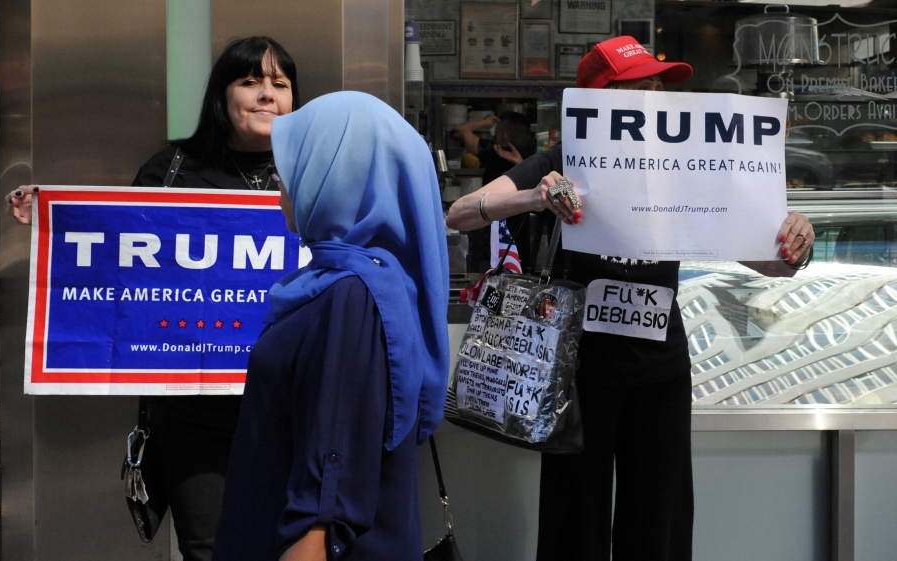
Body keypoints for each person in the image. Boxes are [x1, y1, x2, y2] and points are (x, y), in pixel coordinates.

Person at [445, 36, 815, 561]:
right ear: (601, 101)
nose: (657, 99)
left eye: (660, 87)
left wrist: (795, 243)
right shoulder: (568, 155)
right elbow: (459, 213)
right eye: (640, 88)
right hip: (576, 372)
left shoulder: (687, 162)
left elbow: (770, 262)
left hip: (659, 369)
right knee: (574, 528)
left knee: (659, 528)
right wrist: (537, 196)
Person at [6, 36, 299, 561]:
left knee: (291, 548)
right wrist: (56, 216)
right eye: (250, 81)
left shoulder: (318, 174)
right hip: (193, 418)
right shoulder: (172, 169)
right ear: (222, 95)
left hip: (294, 406)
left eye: (279, 84)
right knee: (210, 550)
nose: (266, 95)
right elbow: (119, 259)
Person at [211, 91, 449, 560]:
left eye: (298, 160)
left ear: (340, 175)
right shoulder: (347, 284)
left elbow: (325, 503)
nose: (281, 179)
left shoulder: (351, 298)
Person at [455, 111, 539, 271]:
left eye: (498, 129)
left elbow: (462, 130)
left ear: (505, 134)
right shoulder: (535, 153)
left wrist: (484, 123)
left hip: (491, 220)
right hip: (519, 225)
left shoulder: (494, 150)